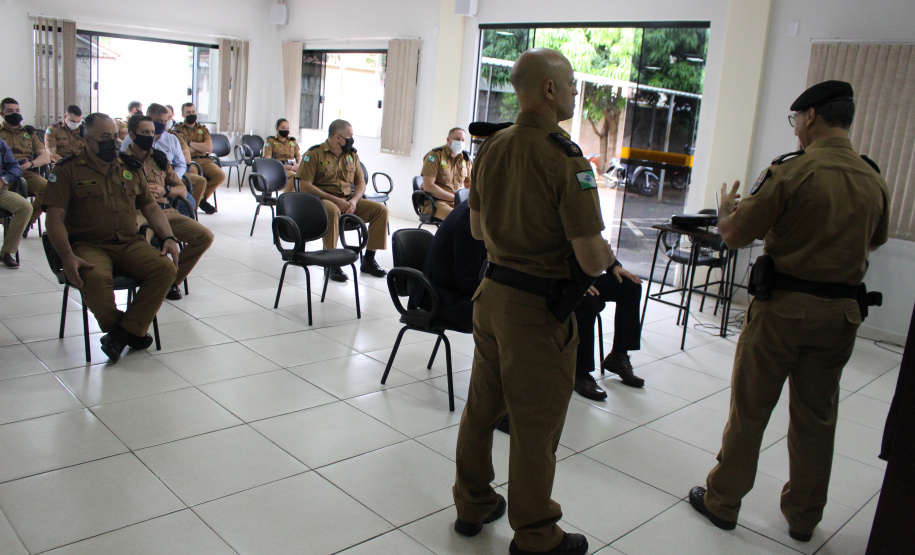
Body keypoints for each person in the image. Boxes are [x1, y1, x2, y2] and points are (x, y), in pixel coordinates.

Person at [689, 80, 889, 543]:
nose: (795, 127)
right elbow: (875, 241)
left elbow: (737, 235)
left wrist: (723, 213)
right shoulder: (873, 177)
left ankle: (722, 501)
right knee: (816, 417)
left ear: (811, 117)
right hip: (840, 315)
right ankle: (803, 517)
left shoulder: (791, 171)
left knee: (751, 408)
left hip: (782, 311)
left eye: (796, 118)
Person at [452, 48, 614, 555]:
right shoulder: (566, 158)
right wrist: (606, 255)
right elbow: (590, 257)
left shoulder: (491, 148)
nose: (573, 93)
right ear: (548, 89)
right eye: (569, 85)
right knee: (535, 425)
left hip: (492, 295)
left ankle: (474, 503)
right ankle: (537, 534)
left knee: (482, 410)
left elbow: (478, 229)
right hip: (537, 310)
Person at [43, 112, 179, 362]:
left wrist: (168, 237)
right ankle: (130, 331)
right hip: (88, 245)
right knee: (93, 280)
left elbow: (150, 208)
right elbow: (54, 218)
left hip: (129, 243)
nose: (113, 142)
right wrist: (66, 255)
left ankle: (121, 334)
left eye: (115, 136)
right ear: (87, 140)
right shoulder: (67, 170)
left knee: (165, 269)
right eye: (105, 137)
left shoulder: (129, 167)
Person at [127, 114, 213, 301]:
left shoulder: (159, 158)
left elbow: (181, 189)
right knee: (142, 241)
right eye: (144, 133)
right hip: (138, 213)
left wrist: (165, 190)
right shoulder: (120, 162)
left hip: (166, 210)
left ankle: (170, 281)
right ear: (132, 136)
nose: (150, 136)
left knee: (205, 236)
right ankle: (152, 281)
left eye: (152, 132)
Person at [295, 119, 388, 282]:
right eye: (349, 136)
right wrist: (335, 200)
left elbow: (361, 182)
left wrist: (354, 200)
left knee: (380, 210)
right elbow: (305, 185)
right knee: (333, 210)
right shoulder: (314, 154)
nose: (352, 139)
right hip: (321, 200)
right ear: (337, 137)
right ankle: (331, 264)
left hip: (348, 200)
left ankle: (369, 260)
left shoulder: (351, 155)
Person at [573, 266, 645, 401]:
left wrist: (613, 266)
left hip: (583, 277)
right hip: (555, 277)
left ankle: (618, 356)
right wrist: (573, 280)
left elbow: (598, 246)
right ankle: (580, 372)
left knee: (631, 286)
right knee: (588, 301)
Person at [121, 103, 202, 216]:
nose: (163, 124)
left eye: (165, 121)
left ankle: (180, 227)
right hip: (140, 184)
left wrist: (170, 183)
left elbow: (181, 164)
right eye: (159, 121)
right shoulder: (132, 138)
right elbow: (124, 160)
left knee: (188, 202)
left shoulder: (172, 139)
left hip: (166, 181)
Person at [0, 97, 50, 236]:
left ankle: (27, 222)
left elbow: (45, 156)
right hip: (4, 173)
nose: (15, 114)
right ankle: (10, 227)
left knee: (48, 188)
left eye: (17, 110)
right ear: (2, 114)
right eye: (10, 111)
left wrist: (31, 164)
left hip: (25, 171)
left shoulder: (30, 133)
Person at [170, 102, 223, 214]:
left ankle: (201, 200)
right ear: (183, 114)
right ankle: (193, 208)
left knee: (220, 175)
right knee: (195, 177)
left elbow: (209, 147)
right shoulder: (177, 129)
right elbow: (182, 150)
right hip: (190, 160)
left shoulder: (202, 128)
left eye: (193, 112)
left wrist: (189, 143)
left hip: (205, 160)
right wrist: (199, 146)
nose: (191, 114)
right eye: (188, 112)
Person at [419, 127, 472, 220]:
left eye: (463, 140)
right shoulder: (435, 155)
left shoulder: (465, 159)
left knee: (475, 218)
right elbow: (429, 186)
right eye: (457, 139)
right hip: (435, 202)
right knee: (458, 218)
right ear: (448, 140)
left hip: (456, 202)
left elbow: (469, 184)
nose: (460, 142)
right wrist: (454, 198)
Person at [0, 137, 30, 268]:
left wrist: (4, 180)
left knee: (25, 207)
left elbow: (15, 167)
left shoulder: (1, 143)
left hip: (1, 190)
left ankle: (6, 252)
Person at [262, 118, 301, 192]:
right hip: (279, 168)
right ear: (277, 128)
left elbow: (299, 157)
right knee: (294, 176)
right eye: (283, 128)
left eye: (287, 128)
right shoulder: (270, 141)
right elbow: (268, 160)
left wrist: (298, 165)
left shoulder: (292, 142)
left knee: (307, 177)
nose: (286, 130)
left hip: (292, 166)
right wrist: (284, 167)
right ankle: (286, 199)